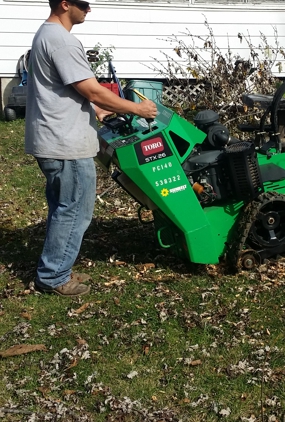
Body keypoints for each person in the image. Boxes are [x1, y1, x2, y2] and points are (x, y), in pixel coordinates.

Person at [25, 0, 157, 297]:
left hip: (52, 138)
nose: (89, 8)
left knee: (63, 206)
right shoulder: (62, 41)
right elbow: (91, 88)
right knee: (74, 210)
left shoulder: (45, 35)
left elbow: (67, 89)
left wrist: (96, 110)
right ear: (64, 4)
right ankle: (54, 276)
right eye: (83, 3)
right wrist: (138, 109)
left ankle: (58, 264)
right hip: (65, 143)